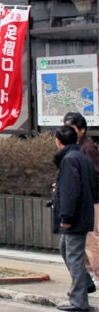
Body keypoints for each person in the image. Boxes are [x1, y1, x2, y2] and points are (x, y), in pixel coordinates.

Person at [53, 124, 98, 312]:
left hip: (75, 216)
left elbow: (71, 191)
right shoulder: (81, 157)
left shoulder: (70, 160)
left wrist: (67, 217)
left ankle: (79, 301)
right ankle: (85, 283)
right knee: (66, 249)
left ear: (58, 141)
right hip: (84, 213)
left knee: (74, 256)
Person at [64, 112, 99, 282]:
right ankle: (85, 279)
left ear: (82, 130)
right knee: (81, 244)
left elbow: (95, 175)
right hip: (83, 201)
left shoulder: (87, 148)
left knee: (92, 240)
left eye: (71, 128)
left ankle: (96, 275)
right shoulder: (75, 147)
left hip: (92, 201)